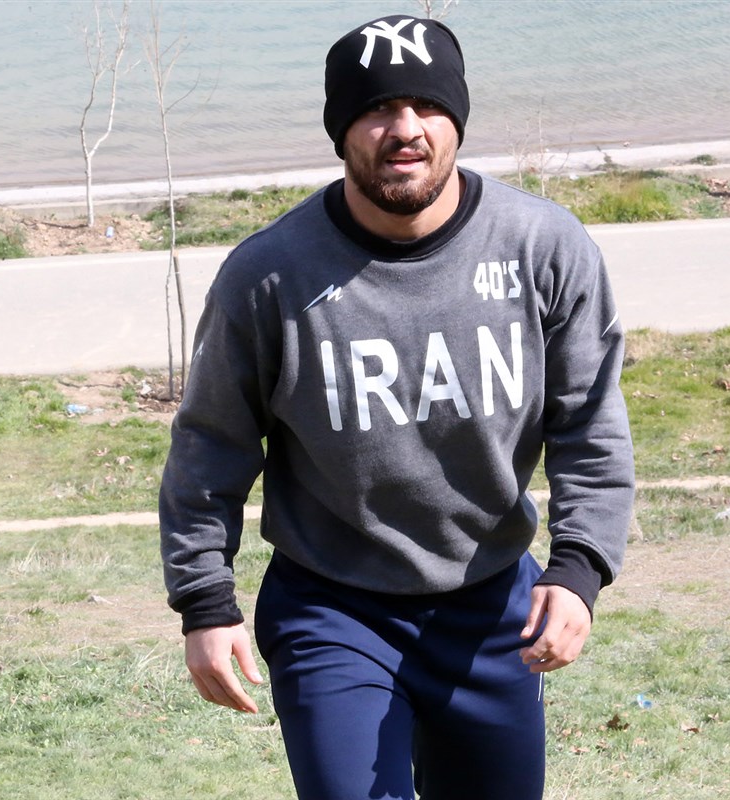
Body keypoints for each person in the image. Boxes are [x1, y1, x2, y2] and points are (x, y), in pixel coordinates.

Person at [159, 14, 634, 800]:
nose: (405, 128)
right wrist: (205, 602)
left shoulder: (544, 248)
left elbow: (590, 423)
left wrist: (580, 566)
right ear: (341, 130)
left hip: (493, 606)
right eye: (377, 108)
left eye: (427, 105)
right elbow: (210, 447)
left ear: (458, 120)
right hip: (332, 609)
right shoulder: (268, 276)